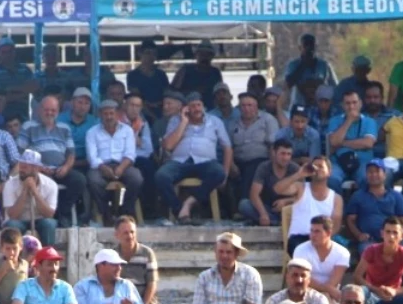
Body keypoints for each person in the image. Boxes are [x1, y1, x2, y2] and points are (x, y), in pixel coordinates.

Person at [158, 92, 232, 223]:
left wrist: (226, 173)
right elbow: (168, 146)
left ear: (203, 106)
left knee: (219, 173)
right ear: (186, 109)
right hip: (180, 162)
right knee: (161, 176)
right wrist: (184, 122)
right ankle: (179, 210)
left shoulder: (215, 121)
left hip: (205, 163)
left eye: (199, 105)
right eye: (193, 106)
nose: (197, 109)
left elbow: (227, 147)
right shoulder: (176, 121)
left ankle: (189, 203)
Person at [20, 94, 87, 226]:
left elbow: (71, 154)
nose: (49, 113)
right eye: (46, 109)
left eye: (53, 110)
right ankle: (47, 216)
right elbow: (20, 152)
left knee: (80, 180)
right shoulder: (29, 127)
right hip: (38, 171)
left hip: (60, 169)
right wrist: (38, 167)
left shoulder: (64, 128)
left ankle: (62, 214)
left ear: (58, 111)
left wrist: (66, 167)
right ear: (39, 110)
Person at [193, 232, 263, 304]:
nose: (224, 256)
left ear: (236, 254)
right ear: (215, 252)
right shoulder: (204, 277)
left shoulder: (250, 274)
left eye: (229, 252)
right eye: (221, 252)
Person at [86, 99, 142, 225]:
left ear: (118, 114)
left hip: (123, 165)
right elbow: (92, 157)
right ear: (100, 115)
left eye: (112, 113)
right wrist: (103, 167)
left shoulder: (127, 130)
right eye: (105, 114)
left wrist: (121, 168)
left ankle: (125, 212)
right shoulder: (92, 132)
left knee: (136, 178)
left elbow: (130, 154)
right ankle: (107, 214)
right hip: (101, 167)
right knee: (93, 180)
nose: (109, 117)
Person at [277, 156, 343, 254]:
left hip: (324, 238)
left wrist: (323, 240)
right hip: (298, 238)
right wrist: (299, 175)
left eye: (320, 166)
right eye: (314, 166)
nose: (317, 169)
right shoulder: (300, 188)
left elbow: (336, 226)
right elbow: (278, 189)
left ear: (329, 172)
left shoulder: (336, 198)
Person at [344, 160, 403, 252]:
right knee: (367, 252)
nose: (373, 175)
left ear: (384, 175)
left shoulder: (396, 196)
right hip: (369, 240)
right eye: (370, 172)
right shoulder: (358, 196)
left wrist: (398, 235)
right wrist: (359, 235)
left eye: (377, 171)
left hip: (392, 239)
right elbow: (350, 220)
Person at [257, 258, 329, 304]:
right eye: (295, 275)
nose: (299, 280)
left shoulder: (319, 299)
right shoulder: (275, 299)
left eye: (303, 276)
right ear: (287, 277)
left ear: (309, 280)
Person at [114, 215, 163, 304]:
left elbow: (152, 285)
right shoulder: (113, 255)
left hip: (145, 300)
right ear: (117, 235)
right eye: (125, 233)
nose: (130, 236)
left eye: (132, 232)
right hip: (120, 302)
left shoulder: (147, 253)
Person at [292, 214, 349, 304]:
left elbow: (334, 281)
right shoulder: (300, 249)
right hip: (305, 289)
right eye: (311, 231)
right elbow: (301, 277)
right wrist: (328, 289)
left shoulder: (342, 253)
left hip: (331, 294)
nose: (313, 235)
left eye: (317, 231)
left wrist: (327, 291)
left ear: (328, 233)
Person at [326, 89, 377, 189]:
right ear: (342, 105)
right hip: (339, 162)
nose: (351, 107)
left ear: (360, 103)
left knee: (366, 178)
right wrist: (349, 120)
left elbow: (368, 143)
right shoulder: (334, 121)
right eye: (347, 103)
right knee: (331, 179)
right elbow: (334, 142)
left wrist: (342, 143)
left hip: (362, 163)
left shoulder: (369, 121)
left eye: (354, 102)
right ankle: (339, 204)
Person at [242, 138, 299, 227]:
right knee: (244, 205)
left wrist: (286, 201)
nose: (285, 158)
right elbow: (254, 194)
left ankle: (275, 222)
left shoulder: (295, 169)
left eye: (289, 154)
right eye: (282, 154)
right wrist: (263, 214)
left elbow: (303, 197)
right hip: (268, 207)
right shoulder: (264, 167)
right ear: (274, 152)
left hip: (288, 210)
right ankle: (275, 222)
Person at [284, 33, 337, 108]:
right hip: (299, 106)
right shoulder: (293, 65)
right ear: (300, 48)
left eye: (311, 45)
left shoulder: (324, 65)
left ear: (316, 47)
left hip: (320, 108)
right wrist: (302, 65)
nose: (309, 48)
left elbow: (334, 87)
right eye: (306, 45)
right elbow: (287, 85)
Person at [126, 39, 170, 121]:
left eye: (154, 54)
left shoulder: (161, 74)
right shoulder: (132, 75)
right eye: (147, 53)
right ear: (140, 54)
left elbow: (167, 94)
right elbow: (136, 97)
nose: (151, 56)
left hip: (161, 110)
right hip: (141, 113)